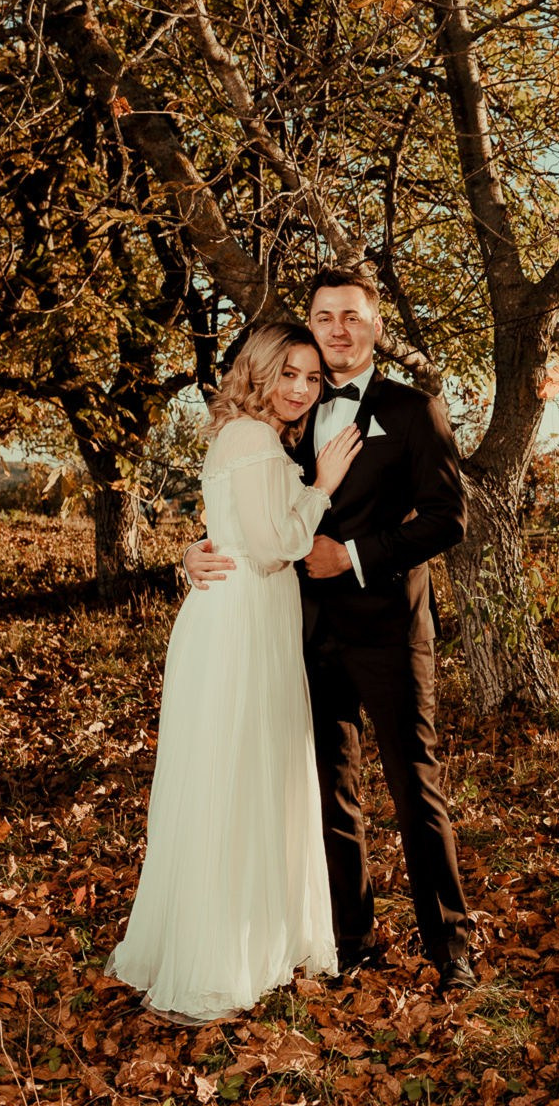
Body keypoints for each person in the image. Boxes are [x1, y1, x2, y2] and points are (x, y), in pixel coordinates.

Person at [185, 270, 476, 994]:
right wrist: (192, 552)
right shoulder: (284, 415)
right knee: (327, 792)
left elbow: (448, 518)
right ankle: (351, 939)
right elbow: (252, 507)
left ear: (375, 326)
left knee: (415, 787)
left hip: (387, 627)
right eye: (324, 317)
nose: (338, 329)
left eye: (352, 316)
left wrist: (350, 556)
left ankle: (452, 947)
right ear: (309, 327)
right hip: (299, 634)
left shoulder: (413, 409)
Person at [107, 322, 363, 1023]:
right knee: (240, 777)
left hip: (241, 618)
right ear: (258, 371)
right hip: (244, 622)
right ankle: (222, 956)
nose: (302, 389)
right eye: (289, 374)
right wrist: (324, 486)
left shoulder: (245, 439)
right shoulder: (252, 440)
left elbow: (237, 528)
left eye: (312, 378)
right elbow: (279, 544)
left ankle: (236, 943)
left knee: (233, 777)